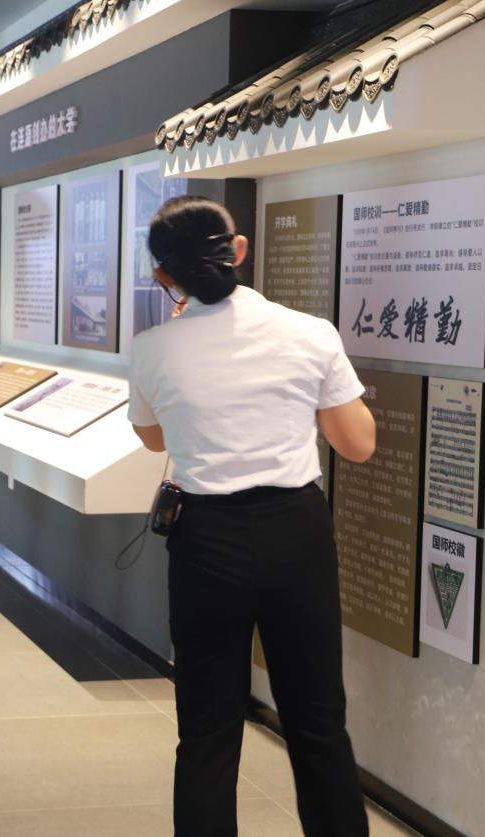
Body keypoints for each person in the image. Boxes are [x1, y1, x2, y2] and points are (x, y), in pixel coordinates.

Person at [127, 196, 375, 836]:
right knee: (317, 721)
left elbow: (153, 439)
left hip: (205, 539)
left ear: (164, 275)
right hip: (297, 534)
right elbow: (357, 444)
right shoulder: (310, 333)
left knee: (207, 729)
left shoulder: (152, 348)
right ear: (238, 251)